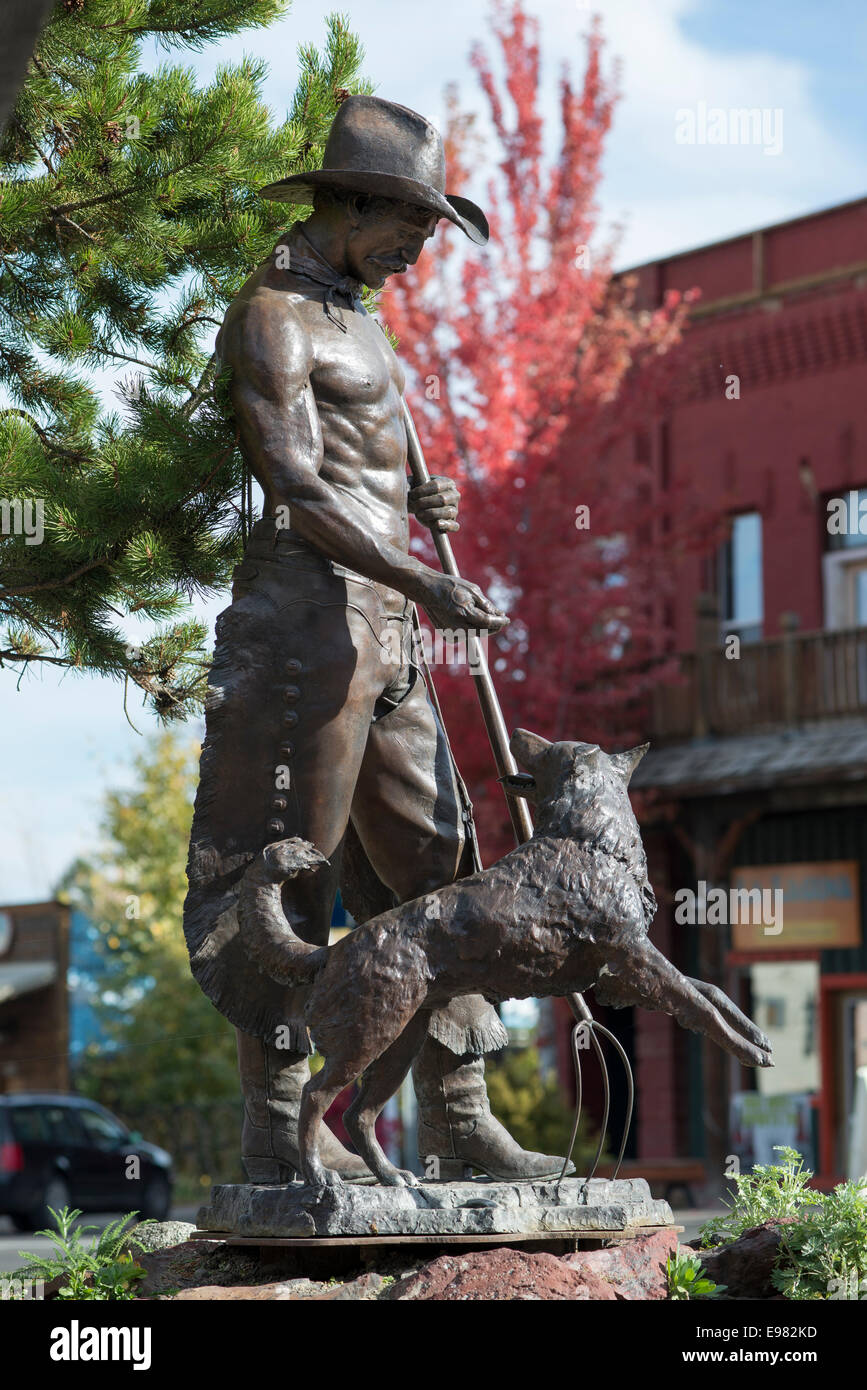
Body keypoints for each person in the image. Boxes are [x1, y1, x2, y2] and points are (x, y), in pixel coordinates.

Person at [183, 96, 569, 1182]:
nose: (419, 248)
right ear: (348, 202)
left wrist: (415, 495)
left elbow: (362, 459)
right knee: (289, 869)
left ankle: (457, 1115)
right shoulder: (271, 315)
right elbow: (298, 485)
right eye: (410, 223)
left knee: (442, 864)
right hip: (307, 618)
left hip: (389, 618)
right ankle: (277, 1128)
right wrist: (418, 572)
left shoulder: (359, 314)